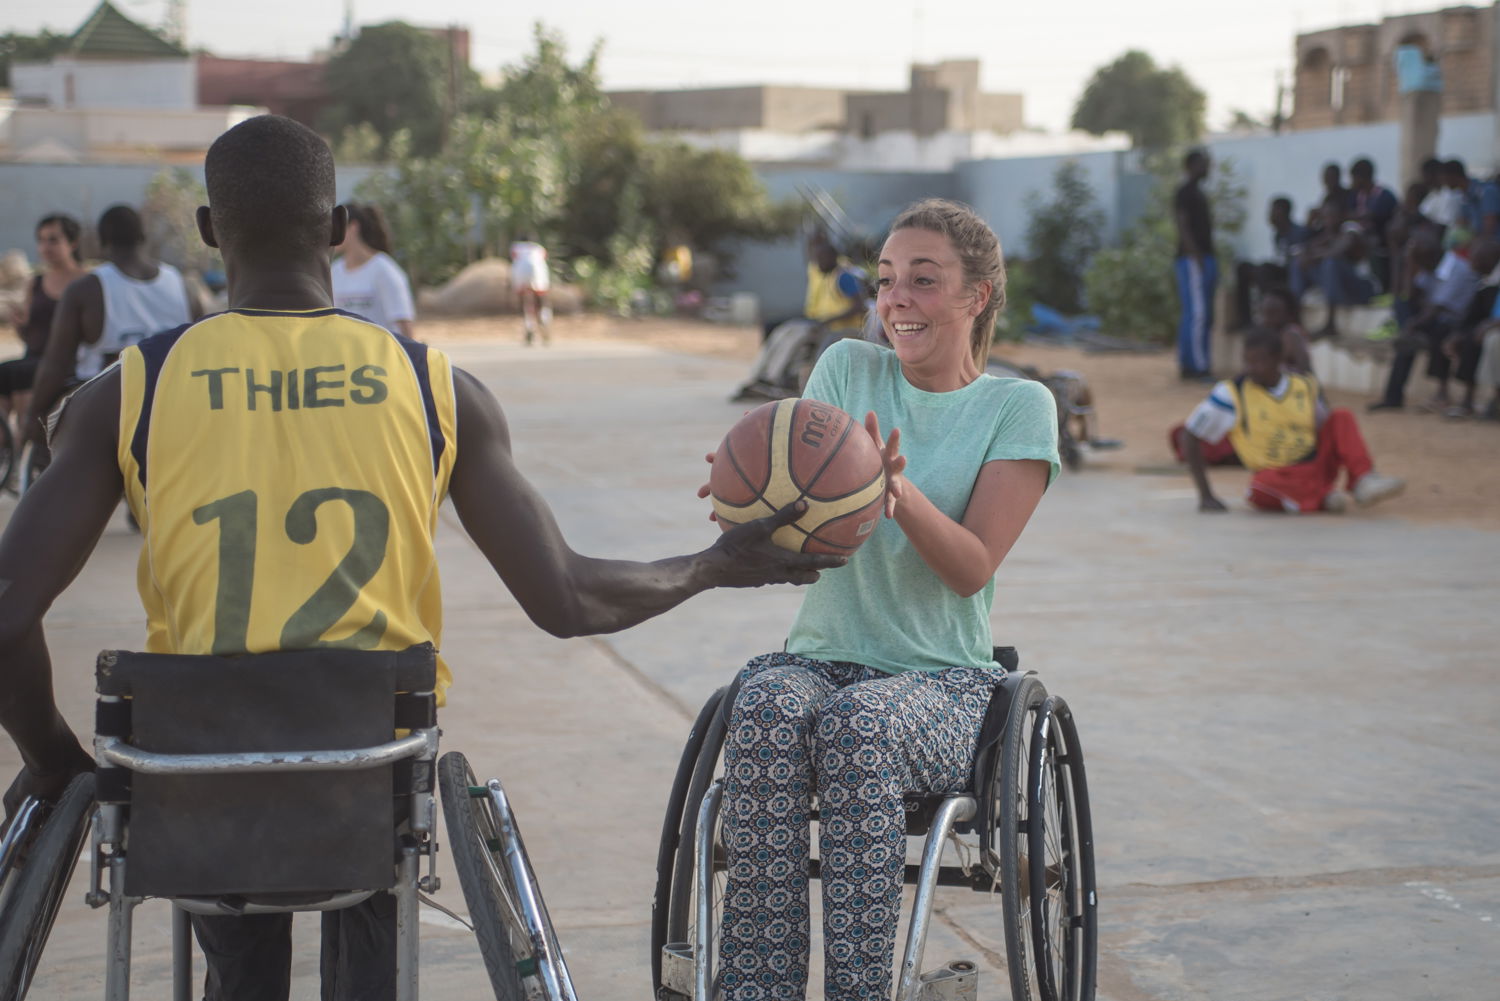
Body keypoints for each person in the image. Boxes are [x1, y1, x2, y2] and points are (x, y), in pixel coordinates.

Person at [0, 115, 841, 1001]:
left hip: (198, 773)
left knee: (236, 952)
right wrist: (712, 562)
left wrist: (55, 756)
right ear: (336, 229)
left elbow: (8, 607)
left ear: (211, 232)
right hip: (369, 765)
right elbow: (567, 597)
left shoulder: (131, 390)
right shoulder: (438, 390)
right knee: (376, 875)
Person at [701, 198, 1058, 1001]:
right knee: (761, 703)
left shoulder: (1017, 407)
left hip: (942, 682)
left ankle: (860, 991)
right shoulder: (845, 368)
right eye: (888, 280)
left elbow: (971, 568)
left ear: (978, 295)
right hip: (823, 658)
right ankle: (756, 988)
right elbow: (805, 515)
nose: (896, 299)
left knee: (859, 725)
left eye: (924, 281)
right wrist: (748, 500)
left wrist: (894, 490)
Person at [21, 205, 201, 452]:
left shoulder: (86, 289)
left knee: (51, 447)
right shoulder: (183, 286)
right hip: (172, 401)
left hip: (106, 405)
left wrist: (32, 415)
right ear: (143, 237)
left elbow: (56, 364)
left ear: (102, 240)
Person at [1183, 327, 1403, 514]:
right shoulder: (1231, 393)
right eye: (1247, 361)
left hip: (1314, 464)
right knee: (1259, 489)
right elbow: (1190, 435)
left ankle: (1363, 480)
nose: (1251, 368)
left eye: (1259, 362)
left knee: (1342, 416)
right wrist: (1205, 495)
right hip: (1276, 474)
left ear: (1278, 360)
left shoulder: (1304, 385)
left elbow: (1328, 429)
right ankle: (1320, 496)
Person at [1369, 235, 1500, 411]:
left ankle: (1446, 395)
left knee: (1441, 333)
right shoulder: (1429, 265)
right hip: (1439, 320)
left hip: (1455, 321)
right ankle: (1393, 397)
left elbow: (1438, 308)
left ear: (1429, 258)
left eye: (1418, 261)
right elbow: (1409, 294)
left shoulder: (1458, 269)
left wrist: (1412, 325)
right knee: (1404, 316)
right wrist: (1409, 267)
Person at [0, 214, 86, 426]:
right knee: (3, 373)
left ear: (72, 243)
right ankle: (6, 446)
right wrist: (20, 325)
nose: (45, 247)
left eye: (53, 240)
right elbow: (29, 335)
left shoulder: (87, 283)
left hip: (67, 363)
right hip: (35, 357)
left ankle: (24, 444)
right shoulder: (35, 283)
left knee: (22, 375)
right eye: (41, 240)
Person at [331, 201, 417, 340]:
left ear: (353, 227)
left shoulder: (385, 270)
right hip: (347, 358)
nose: (331, 235)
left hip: (381, 358)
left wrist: (412, 359)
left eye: (336, 228)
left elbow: (403, 324)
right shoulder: (334, 272)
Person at [1232, 196, 1306, 330]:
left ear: (1284, 213)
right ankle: (1245, 320)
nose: (1270, 215)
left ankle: (1267, 313)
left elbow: (1295, 263)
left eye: (1273, 211)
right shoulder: (1278, 234)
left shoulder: (1298, 233)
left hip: (1291, 276)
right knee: (1243, 267)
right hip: (1276, 273)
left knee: (1264, 269)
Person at [1174, 148, 1216, 380]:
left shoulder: (1197, 192)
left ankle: (1190, 363)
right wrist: (1195, 256)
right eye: (1203, 164)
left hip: (1199, 258)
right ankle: (1198, 367)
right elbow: (1183, 225)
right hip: (1193, 259)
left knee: (1196, 313)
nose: (1208, 168)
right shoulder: (1185, 193)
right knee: (1198, 314)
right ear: (1191, 166)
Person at [1348, 158, 1398, 289]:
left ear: (1363, 178)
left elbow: (1380, 217)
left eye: (1354, 178)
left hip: (1381, 240)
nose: (1351, 182)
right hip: (1361, 239)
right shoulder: (1356, 196)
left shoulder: (1385, 195)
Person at [508, 233, 551, 345]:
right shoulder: (539, 248)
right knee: (541, 300)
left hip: (520, 272)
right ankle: (544, 322)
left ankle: (529, 326)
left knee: (524, 301)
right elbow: (544, 257)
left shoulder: (516, 246)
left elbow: (514, 257)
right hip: (538, 271)